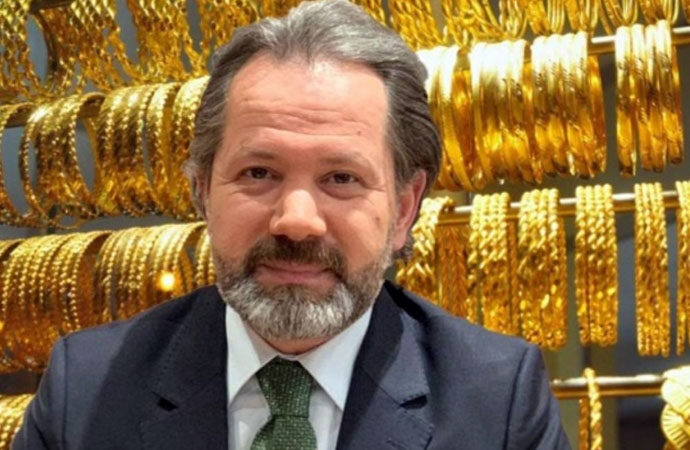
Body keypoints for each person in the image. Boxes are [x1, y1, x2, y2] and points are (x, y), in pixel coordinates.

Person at [13, 1, 571, 449]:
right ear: (203, 192)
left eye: (341, 178)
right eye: (258, 173)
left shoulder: (496, 399)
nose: (297, 221)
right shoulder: (86, 388)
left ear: (404, 209)